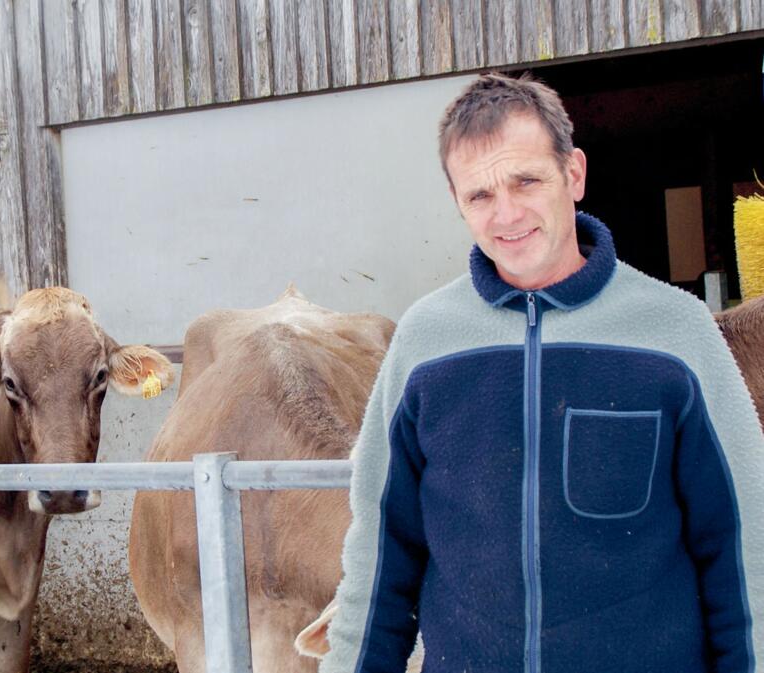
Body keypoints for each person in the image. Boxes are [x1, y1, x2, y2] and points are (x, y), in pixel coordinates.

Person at [320, 73, 764, 673]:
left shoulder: (675, 333)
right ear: (457, 201)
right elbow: (378, 554)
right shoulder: (424, 343)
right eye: (479, 195)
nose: (506, 214)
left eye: (525, 180)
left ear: (573, 173)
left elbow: (744, 548)